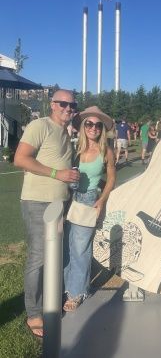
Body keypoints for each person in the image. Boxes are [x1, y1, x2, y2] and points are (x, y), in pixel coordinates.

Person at [14, 89, 80, 338]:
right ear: (52, 105)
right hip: (37, 202)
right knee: (38, 257)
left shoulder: (64, 131)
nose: (68, 108)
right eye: (63, 104)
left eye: (72, 105)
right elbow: (20, 159)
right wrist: (57, 174)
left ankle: (50, 302)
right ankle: (33, 313)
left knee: (55, 256)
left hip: (59, 202)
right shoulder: (39, 125)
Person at [63, 106, 116, 311]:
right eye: (89, 124)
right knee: (67, 247)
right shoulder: (75, 148)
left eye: (97, 125)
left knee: (80, 249)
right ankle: (68, 287)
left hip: (88, 201)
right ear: (83, 127)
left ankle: (76, 293)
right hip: (69, 199)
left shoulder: (106, 150)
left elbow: (111, 178)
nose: (93, 128)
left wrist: (102, 200)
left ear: (102, 128)